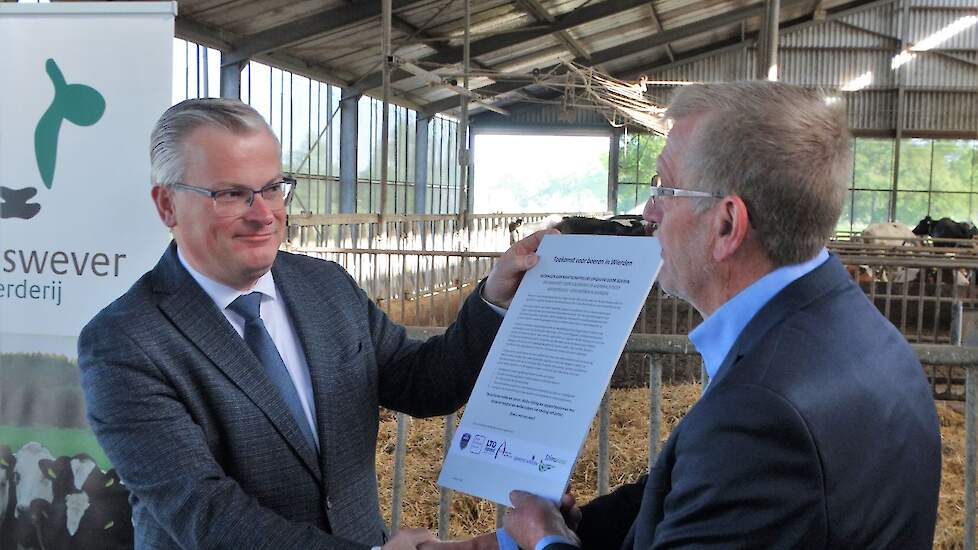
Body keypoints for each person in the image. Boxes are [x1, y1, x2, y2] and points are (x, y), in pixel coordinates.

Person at [77, 98, 544, 550]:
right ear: (167, 206)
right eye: (231, 194)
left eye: (273, 187)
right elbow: (204, 510)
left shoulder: (324, 286)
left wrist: (493, 298)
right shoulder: (125, 342)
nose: (264, 214)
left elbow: (423, 383)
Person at [500, 81, 942, 549]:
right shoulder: (852, 332)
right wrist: (582, 526)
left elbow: (731, 470)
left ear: (727, 224)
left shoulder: (763, 413)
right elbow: (700, 493)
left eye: (664, 189)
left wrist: (546, 541)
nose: (650, 212)